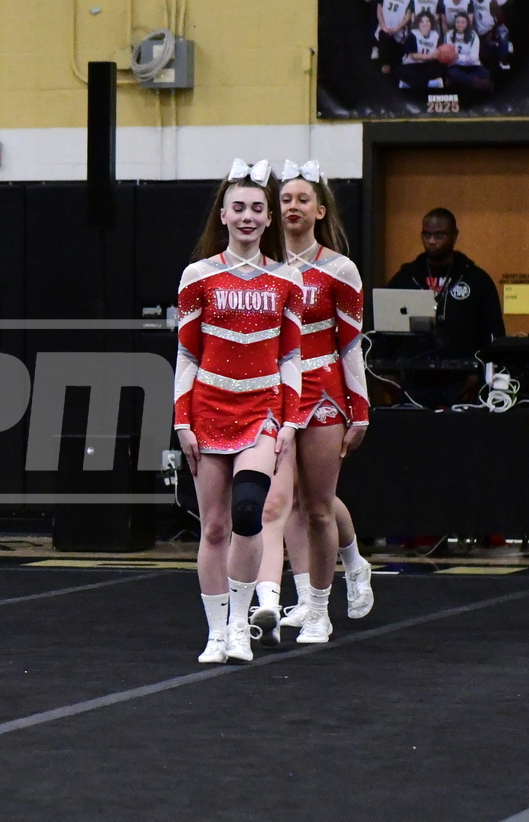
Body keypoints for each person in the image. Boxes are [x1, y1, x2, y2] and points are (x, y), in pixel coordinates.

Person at [175, 159, 303, 664]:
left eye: (256, 208)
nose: (247, 216)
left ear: (269, 218)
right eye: (238, 208)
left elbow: (291, 358)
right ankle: (215, 632)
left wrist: (290, 421)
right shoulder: (198, 276)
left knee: (249, 513)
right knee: (213, 527)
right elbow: (187, 355)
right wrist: (181, 420)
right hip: (208, 408)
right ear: (223, 215)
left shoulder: (286, 279)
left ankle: (239, 627)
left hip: (261, 410)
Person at [252, 160, 373, 648]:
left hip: (323, 390)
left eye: (303, 199)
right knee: (287, 501)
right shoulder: (263, 267)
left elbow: (351, 344)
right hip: (276, 394)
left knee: (319, 505)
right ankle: (306, 597)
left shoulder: (339, 269)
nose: (293, 207)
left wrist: (360, 410)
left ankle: (328, 601)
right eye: (285, 199)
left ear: (320, 210)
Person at [384, 207, 504, 405]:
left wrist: (479, 373)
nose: (432, 241)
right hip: (413, 380)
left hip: (463, 380)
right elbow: (384, 329)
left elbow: (492, 332)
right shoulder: (406, 278)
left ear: (454, 236)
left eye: (439, 235)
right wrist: (387, 372)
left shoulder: (476, 279)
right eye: (427, 235)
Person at [397, 12, 446, 90]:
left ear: (431, 23)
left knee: (441, 68)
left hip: (427, 65)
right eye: (421, 21)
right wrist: (430, 56)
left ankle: (411, 83)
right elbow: (413, 56)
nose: (425, 24)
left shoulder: (435, 35)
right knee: (400, 71)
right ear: (418, 24)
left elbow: (439, 52)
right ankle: (428, 84)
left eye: (427, 21)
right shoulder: (413, 35)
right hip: (412, 64)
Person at [444, 13, 492, 91]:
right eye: (458, 22)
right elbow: (448, 56)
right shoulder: (449, 35)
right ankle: (478, 83)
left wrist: (457, 57)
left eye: (463, 22)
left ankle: (466, 80)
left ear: (467, 23)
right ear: (454, 23)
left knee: (485, 74)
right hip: (456, 66)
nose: (460, 24)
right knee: (452, 73)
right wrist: (455, 58)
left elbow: (474, 58)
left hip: (472, 65)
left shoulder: (473, 35)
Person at [373, 0, 412, 74]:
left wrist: (396, 29)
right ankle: (385, 63)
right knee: (384, 41)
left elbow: (408, 16)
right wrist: (383, 25)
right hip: (385, 28)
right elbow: (379, 10)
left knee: (397, 60)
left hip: (400, 32)